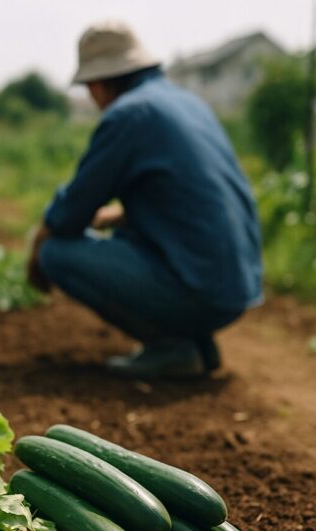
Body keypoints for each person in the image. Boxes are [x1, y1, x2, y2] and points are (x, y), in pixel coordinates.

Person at [27, 21, 263, 378]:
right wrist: (115, 217)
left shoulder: (128, 115)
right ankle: (198, 344)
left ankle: (171, 345)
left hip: (201, 291)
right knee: (127, 236)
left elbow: (70, 211)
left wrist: (38, 244)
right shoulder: (186, 103)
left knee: (56, 253)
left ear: (99, 83)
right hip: (237, 285)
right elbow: (183, 199)